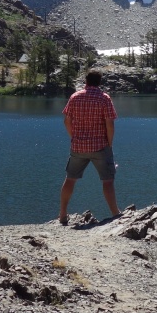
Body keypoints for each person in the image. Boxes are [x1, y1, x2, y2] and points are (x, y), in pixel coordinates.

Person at [59, 70, 121, 225]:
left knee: (70, 179)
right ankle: (115, 213)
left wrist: (74, 137)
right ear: (99, 82)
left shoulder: (75, 97)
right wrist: (109, 144)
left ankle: (62, 214)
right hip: (100, 146)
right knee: (107, 180)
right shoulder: (104, 98)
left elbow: (67, 120)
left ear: (86, 81)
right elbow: (110, 123)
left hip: (78, 146)